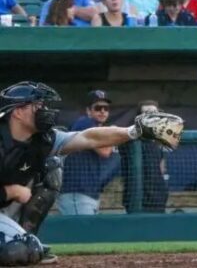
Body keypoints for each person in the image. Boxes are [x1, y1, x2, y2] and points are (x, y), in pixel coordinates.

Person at [0, 81, 176, 266]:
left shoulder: (42, 140)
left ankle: (27, 236)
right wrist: (11, 192)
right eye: (37, 106)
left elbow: (89, 137)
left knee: (52, 169)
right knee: (15, 252)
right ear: (18, 112)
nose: (43, 110)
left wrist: (134, 131)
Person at [58, 90, 117, 215]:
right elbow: (105, 151)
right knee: (80, 233)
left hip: (88, 193)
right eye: (98, 108)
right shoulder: (85, 123)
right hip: (77, 192)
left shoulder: (98, 128)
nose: (102, 111)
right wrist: (113, 132)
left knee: (86, 233)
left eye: (106, 108)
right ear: (88, 111)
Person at [119, 100, 169, 213]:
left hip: (158, 199)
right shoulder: (129, 140)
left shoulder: (159, 141)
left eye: (155, 112)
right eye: (147, 113)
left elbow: (161, 169)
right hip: (136, 199)